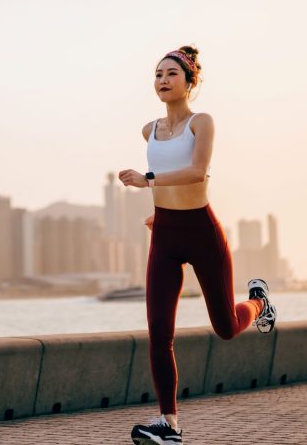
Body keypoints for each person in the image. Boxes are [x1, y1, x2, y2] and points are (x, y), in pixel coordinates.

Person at [118, 45, 277, 445]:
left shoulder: (201, 122)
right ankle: (168, 425)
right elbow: (173, 180)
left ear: (190, 82)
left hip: (203, 232)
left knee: (224, 327)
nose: (162, 81)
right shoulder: (148, 130)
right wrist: (161, 210)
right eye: (157, 75)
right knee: (159, 333)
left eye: (171, 74)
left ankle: (259, 303)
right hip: (167, 235)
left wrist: (147, 179)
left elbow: (197, 172)